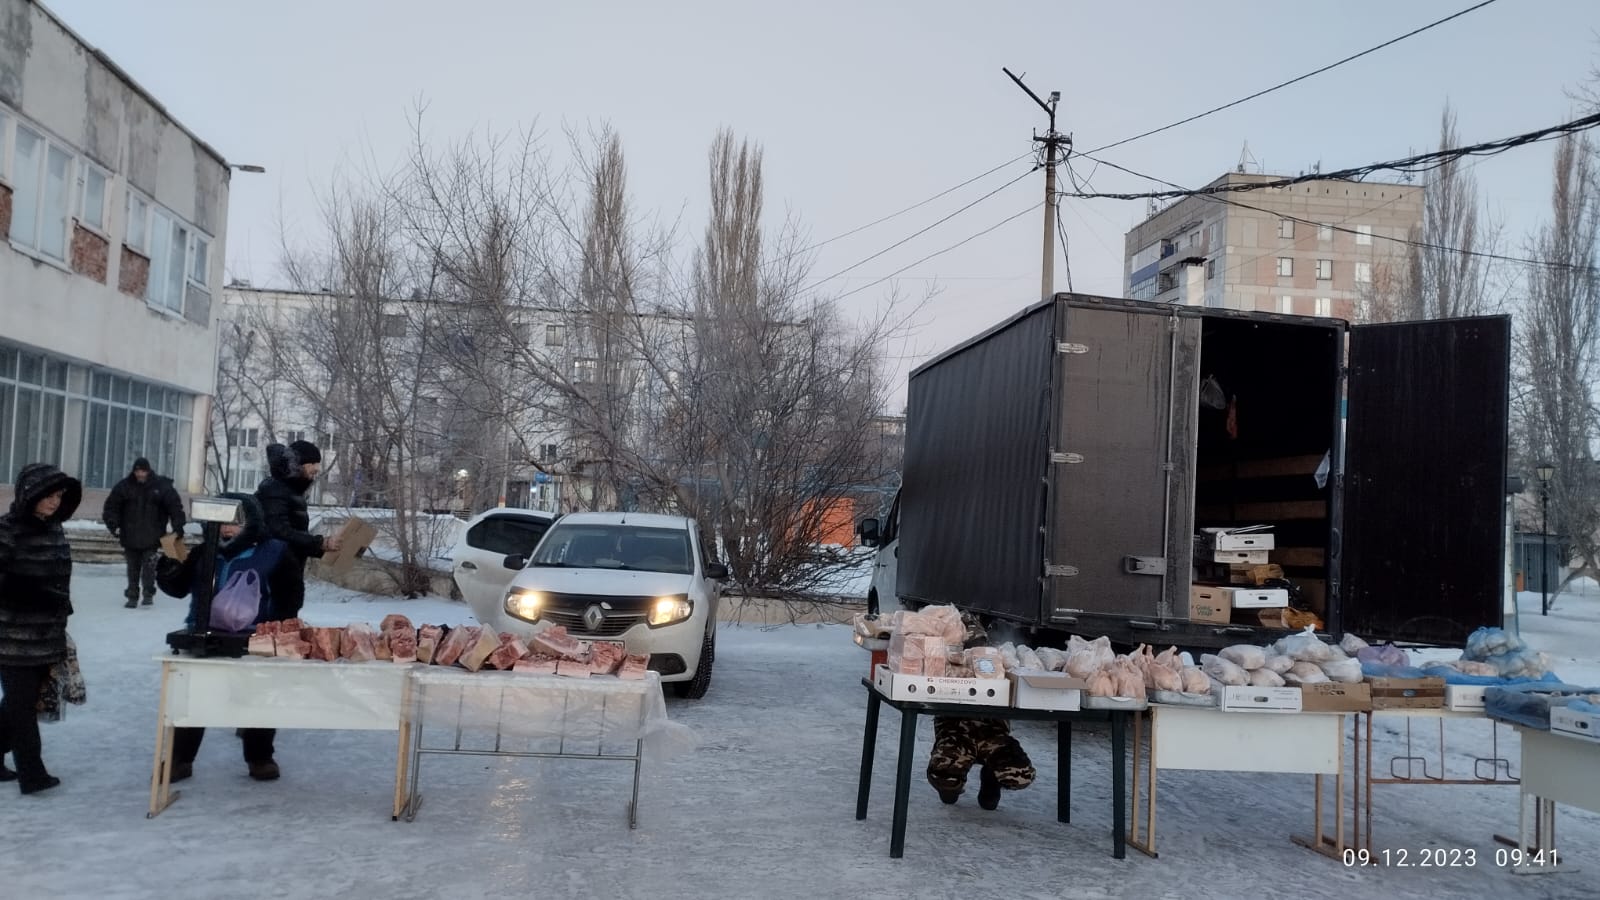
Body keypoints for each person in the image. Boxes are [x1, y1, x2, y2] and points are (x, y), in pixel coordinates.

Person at [156, 492, 290, 781]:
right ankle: (181, 760)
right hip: (203, 635)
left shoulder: (275, 551)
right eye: (222, 521)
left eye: (236, 522)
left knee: (258, 699)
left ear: (251, 521)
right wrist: (167, 572)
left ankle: (260, 756)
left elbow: (289, 595)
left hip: (255, 637)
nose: (227, 528)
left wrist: (277, 628)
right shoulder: (205, 551)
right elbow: (180, 588)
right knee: (195, 698)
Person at [0, 462, 83, 795]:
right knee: (21, 707)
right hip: (12, 636)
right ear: (29, 494)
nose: (53, 502)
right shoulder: (8, 529)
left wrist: (60, 604)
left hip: (47, 633)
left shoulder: (53, 528)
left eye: (59, 496)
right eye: (47, 496)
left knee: (22, 703)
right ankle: (32, 774)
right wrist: (32, 594)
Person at [926, 615, 1036, 810]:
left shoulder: (1000, 663)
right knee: (945, 782)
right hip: (956, 735)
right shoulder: (946, 664)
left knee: (1020, 774)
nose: (973, 650)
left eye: (978, 644)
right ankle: (952, 785)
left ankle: (991, 777)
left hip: (993, 735)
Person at [254, 441, 340, 621]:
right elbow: (278, 531)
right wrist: (319, 543)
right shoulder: (276, 490)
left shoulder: (291, 492)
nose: (316, 469)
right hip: (277, 572)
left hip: (288, 570)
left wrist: (320, 549)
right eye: (313, 464)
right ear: (299, 463)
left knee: (284, 620)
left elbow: (294, 534)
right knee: (275, 624)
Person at [102, 457, 186, 609]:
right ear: (134, 471)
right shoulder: (124, 487)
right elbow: (111, 507)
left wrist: (178, 527)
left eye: (143, 471)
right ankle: (132, 595)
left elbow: (175, 507)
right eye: (137, 471)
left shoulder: (161, 487)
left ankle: (148, 592)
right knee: (132, 568)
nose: (140, 474)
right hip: (129, 535)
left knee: (149, 566)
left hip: (152, 536)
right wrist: (114, 525)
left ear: (148, 471)